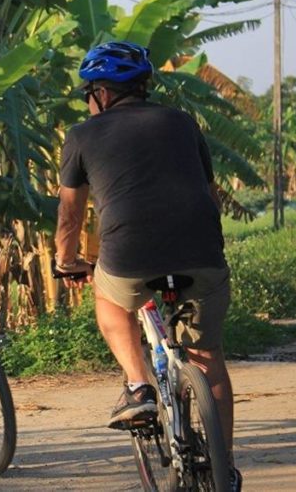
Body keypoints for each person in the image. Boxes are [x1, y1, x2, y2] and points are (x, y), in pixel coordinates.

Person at [54, 41, 241, 489]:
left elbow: (70, 215)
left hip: (129, 256)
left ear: (100, 93)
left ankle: (139, 386)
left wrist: (66, 261)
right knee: (208, 355)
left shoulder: (81, 136)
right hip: (202, 252)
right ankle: (225, 466)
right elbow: (208, 190)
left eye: (88, 93)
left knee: (110, 300)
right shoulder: (181, 122)